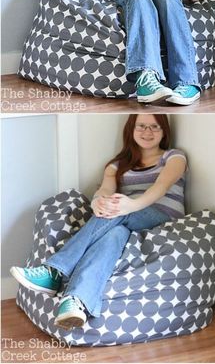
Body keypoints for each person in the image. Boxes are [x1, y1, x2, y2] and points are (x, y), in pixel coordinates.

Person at [10, 114, 187, 329]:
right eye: (141, 126)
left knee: (118, 210)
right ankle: (76, 302)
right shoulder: (117, 164)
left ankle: (54, 271)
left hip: (162, 218)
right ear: (131, 129)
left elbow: (160, 188)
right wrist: (98, 205)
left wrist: (130, 206)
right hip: (125, 221)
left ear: (164, 131)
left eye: (155, 127)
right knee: (114, 234)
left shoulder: (174, 157)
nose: (147, 132)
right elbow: (104, 191)